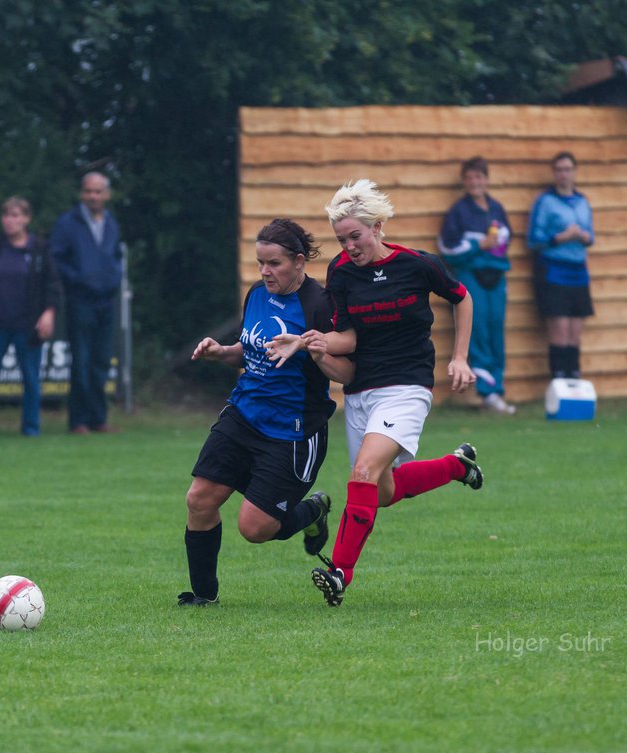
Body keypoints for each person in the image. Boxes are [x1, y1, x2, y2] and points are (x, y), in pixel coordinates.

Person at [266, 180, 483, 608]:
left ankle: (339, 573)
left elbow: (462, 297)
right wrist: (312, 341)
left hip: (407, 387)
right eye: (342, 239)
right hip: (361, 392)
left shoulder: (418, 265)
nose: (349, 246)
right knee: (380, 492)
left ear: (377, 227)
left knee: (362, 473)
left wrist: (460, 357)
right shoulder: (342, 273)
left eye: (356, 236)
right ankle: (456, 466)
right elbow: (346, 337)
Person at [179, 219, 353, 606]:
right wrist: (221, 352)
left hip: (292, 430)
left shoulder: (319, 305)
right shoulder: (258, 294)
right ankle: (204, 597)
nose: (264, 272)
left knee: (255, 529)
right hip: (243, 414)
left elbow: (346, 369)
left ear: (298, 261)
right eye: (260, 263)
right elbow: (251, 347)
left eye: (273, 263)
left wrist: (310, 347)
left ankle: (313, 511)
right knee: (199, 499)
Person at [0, 196, 62, 438]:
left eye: (16, 215)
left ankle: (31, 429)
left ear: (27, 219)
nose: (11, 221)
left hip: (27, 325)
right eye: (7, 215)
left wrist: (49, 314)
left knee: (31, 379)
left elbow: (53, 285)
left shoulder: (40, 249)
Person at [439, 156, 515, 414]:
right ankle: (487, 393)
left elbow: (506, 239)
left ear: (486, 179)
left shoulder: (496, 208)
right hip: (471, 277)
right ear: (464, 181)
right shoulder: (458, 212)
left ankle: (497, 389)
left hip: (497, 278)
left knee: (496, 332)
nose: (475, 182)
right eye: (470, 178)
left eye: (479, 177)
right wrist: (478, 245)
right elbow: (447, 248)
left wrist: (495, 246)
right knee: (479, 333)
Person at [50, 172, 124, 434]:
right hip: (80, 301)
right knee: (81, 361)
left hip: (106, 301)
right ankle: (78, 421)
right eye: (88, 191)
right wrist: (78, 279)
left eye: (98, 191)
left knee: (102, 361)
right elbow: (56, 259)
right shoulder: (67, 223)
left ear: (106, 195)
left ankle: (98, 418)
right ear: (82, 194)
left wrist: (113, 278)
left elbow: (117, 257)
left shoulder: (111, 223)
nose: (93, 196)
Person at [527, 151, 595, 379]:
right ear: (554, 174)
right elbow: (534, 240)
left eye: (568, 169)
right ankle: (559, 379)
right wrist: (561, 237)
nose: (564, 174)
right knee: (560, 331)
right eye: (559, 170)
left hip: (579, 272)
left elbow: (591, 236)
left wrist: (584, 237)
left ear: (575, 172)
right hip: (554, 271)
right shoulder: (545, 202)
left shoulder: (583, 201)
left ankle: (574, 378)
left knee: (575, 333)